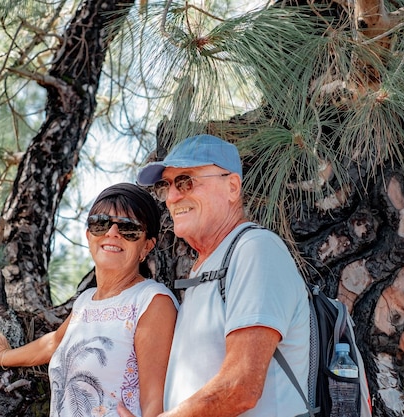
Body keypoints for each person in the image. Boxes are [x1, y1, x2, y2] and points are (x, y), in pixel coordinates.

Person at [127, 134, 311, 417]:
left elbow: (240, 386)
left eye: (186, 181)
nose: (173, 197)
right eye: (166, 187)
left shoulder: (255, 250)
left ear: (232, 187)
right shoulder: (211, 266)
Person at [0, 183, 179, 417]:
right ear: (89, 236)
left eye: (129, 229)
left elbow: (156, 400)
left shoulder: (152, 302)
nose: (112, 233)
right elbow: (53, 343)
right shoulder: (86, 302)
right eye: (101, 223)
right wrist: (1, 356)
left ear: (146, 246)